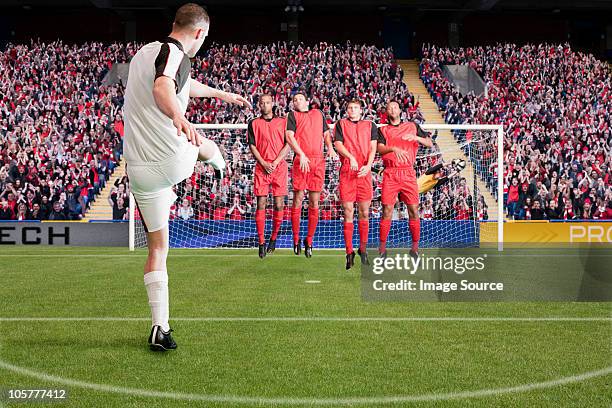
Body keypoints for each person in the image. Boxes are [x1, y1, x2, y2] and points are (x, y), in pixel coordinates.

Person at [123, 3, 251, 352]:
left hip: (140, 171)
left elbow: (182, 83)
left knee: (158, 248)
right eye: (204, 38)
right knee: (203, 146)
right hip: (172, 159)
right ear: (199, 33)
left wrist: (220, 94)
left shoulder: (143, 54)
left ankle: (159, 328)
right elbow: (165, 87)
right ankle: (219, 162)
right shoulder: (176, 52)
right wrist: (181, 118)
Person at [377, 100, 433, 259]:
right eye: (389, 108)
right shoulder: (383, 130)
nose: (393, 109)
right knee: (387, 211)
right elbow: (380, 149)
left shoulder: (412, 125)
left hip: (408, 173)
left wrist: (415, 137)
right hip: (390, 173)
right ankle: (382, 249)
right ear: (387, 112)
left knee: (414, 210)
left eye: (395, 107)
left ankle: (415, 249)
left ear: (400, 110)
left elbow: (429, 143)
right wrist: (394, 148)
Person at [285, 91, 337, 257]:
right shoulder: (292, 115)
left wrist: (330, 147)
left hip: (318, 160)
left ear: (307, 101)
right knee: (298, 199)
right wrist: (301, 154)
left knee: (315, 202)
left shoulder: (318, 113)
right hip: (301, 160)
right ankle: (295, 239)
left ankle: (309, 240)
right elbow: (289, 137)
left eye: (300, 98)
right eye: (294, 100)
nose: (297, 101)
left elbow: (326, 134)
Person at [333, 99, 378, 270]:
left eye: (355, 108)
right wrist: (351, 157)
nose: (352, 110)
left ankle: (363, 250)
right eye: (350, 108)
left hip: (364, 172)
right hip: (347, 172)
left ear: (361, 110)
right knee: (348, 211)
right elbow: (338, 144)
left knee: (365, 212)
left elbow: (373, 148)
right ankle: (349, 252)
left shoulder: (370, 125)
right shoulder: (341, 124)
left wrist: (368, 166)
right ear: (347, 110)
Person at [248, 94, 290, 258]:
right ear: (259, 105)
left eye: (267, 102)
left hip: (279, 168)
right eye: (262, 103)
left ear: (273, 104)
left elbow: (289, 144)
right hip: (261, 167)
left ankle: (273, 238)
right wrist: (264, 163)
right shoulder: (254, 123)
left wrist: (276, 161)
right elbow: (252, 145)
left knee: (279, 205)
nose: (265, 105)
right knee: (261, 204)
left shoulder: (283, 122)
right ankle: (261, 242)